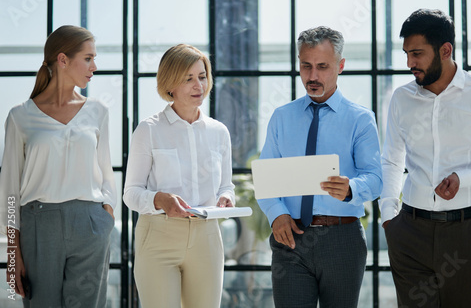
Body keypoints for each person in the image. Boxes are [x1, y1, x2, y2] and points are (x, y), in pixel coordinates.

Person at [379, 9, 471, 307]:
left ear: (445, 50)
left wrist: (466, 177)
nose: (410, 64)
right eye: (407, 54)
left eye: (417, 54)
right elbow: (392, 160)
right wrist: (388, 217)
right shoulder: (401, 98)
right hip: (409, 230)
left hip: (466, 233)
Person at [257, 26, 383, 308]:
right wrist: (277, 215)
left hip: (342, 240)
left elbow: (375, 179)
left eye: (322, 67)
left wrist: (352, 188)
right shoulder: (281, 118)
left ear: (340, 66)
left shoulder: (361, 120)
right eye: (306, 66)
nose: (312, 76)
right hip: (290, 239)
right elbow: (265, 179)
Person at [0, 25, 117, 307]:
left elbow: (106, 175)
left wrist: (106, 218)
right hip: (39, 226)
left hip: (90, 224)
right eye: (88, 58)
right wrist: (13, 258)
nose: (94, 66)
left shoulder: (98, 111)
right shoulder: (20, 116)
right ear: (63, 60)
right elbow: (10, 191)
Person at [123, 44, 235, 308]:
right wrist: (160, 200)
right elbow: (131, 193)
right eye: (188, 78)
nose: (199, 85)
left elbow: (226, 185)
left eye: (202, 76)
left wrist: (226, 197)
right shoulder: (148, 130)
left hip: (207, 238)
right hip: (159, 236)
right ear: (170, 83)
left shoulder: (219, 132)